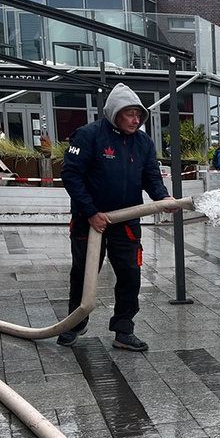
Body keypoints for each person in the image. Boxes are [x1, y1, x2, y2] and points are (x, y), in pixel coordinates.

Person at [58, 83, 178, 351]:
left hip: (126, 221)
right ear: (115, 113)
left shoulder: (143, 143)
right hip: (89, 222)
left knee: (130, 274)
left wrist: (163, 198)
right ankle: (74, 324)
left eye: (139, 114)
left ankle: (124, 329)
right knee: (82, 274)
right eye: (130, 114)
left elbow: (152, 178)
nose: (136, 120)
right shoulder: (89, 136)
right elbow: (71, 175)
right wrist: (90, 212)